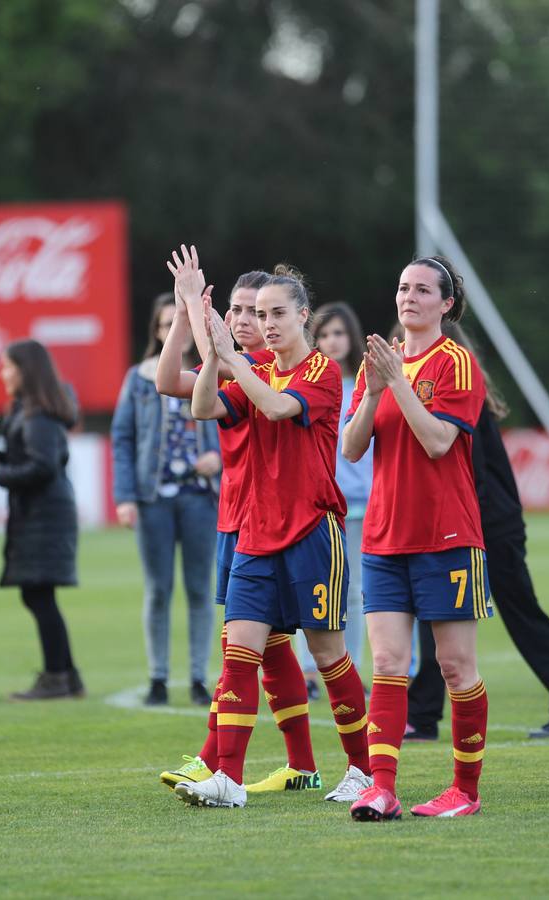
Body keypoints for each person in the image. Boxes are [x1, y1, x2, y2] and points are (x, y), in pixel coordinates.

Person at [176, 261, 371, 809]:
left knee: (329, 655)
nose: (268, 323)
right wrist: (212, 344)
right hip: (256, 534)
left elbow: (280, 408)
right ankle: (229, 780)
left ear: (303, 315)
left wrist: (232, 357)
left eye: (278, 313)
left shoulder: (321, 371)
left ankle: (361, 768)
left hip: (312, 532)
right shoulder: (255, 366)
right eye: (261, 315)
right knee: (239, 653)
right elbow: (200, 405)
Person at [155, 254, 322, 797]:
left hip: (276, 522)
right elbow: (169, 380)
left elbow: (228, 368)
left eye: (258, 311)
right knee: (262, 647)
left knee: (258, 647)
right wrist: (186, 310)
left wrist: (204, 325)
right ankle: (288, 764)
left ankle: (215, 762)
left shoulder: (266, 369)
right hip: (239, 519)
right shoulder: (238, 367)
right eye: (236, 309)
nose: (249, 320)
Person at [341, 256, 492, 820]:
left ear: (446, 304)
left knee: (455, 666)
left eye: (423, 290)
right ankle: (381, 787)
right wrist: (377, 388)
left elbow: (436, 442)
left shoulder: (457, 364)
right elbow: (353, 448)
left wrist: (398, 383)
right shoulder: (375, 364)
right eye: (403, 287)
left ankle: (465, 791)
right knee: (387, 662)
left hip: (446, 536)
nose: (409, 297)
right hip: (383, 537)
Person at [406, 319, 549, 742]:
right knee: (434, 615)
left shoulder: (458, 395)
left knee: (519, 611)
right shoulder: (458, 395)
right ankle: (422, 714)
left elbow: (472, 474)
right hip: (475, 520)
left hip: (487, 523)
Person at [112, 294, 221, 707]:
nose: (171, 331)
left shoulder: (212, 370)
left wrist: (220, 458)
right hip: (153, 496)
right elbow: (122, 439)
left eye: (178, 323)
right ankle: (157, 676)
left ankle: (197, 677)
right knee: (158, 589)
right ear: (156, 332)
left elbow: (236, 426)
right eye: (163, 325)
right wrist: (125, 497)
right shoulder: (139, 378)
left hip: (200, 496)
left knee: (199, 588)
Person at [0, 340, 84, 700]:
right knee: (39, 595)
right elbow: (26, 455)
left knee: (38, 595)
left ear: (26, 371)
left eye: (8, 367)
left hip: (44, 514)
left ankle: (57, 676)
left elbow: (41, 467)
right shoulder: (30, 408)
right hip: (41, 513)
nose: (3, 374)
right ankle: (67, 674)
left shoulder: (37, 414)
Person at [293, 302, 373, 693]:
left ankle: (351, 667)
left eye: (339, 333)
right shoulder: (307, 384)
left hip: (360, 503)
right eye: (323, 335)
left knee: (355, 591)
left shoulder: (368, 384)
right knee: (313, 586)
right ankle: (308, 669)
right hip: (317, 504)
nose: (332, 341)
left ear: (352, 337)